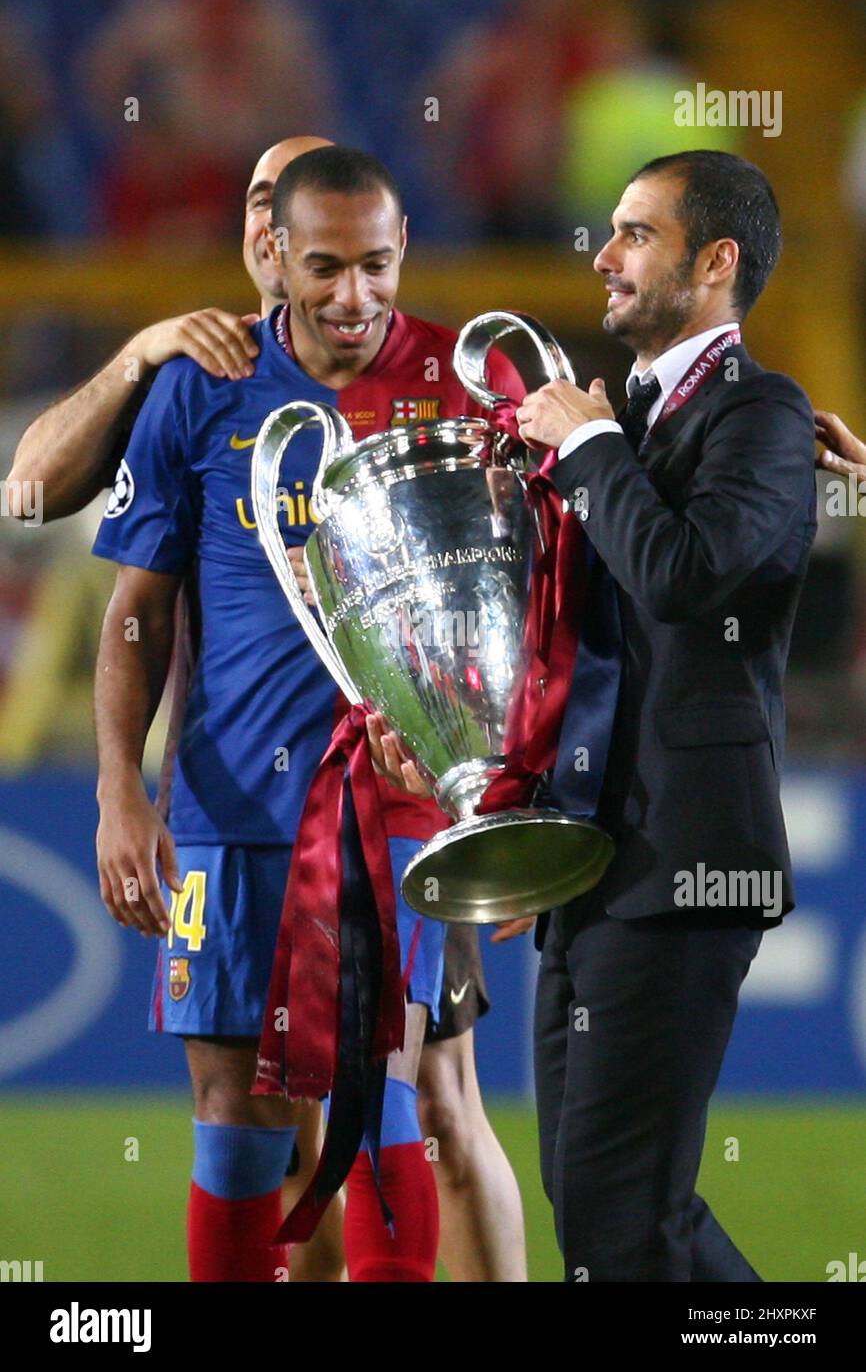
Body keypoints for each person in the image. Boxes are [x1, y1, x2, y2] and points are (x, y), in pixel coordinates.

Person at [6, 136, 527, 1282]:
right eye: (328, 267)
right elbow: (132, 613)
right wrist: (116, 792)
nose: (356, 297)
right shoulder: (198, 384)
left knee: (384, 1103)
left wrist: (502, 793)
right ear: (274, 254)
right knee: (233, 1120)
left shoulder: (454, 382)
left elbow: (522, 598)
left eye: (379, 266)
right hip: (224, 814)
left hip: (386, 812)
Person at [374, 149, 817, 1280]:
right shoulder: (612, 419)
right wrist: (476, 763)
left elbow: (683, 574)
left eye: (634, 233)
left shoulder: (759, 413)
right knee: (600, 1209)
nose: (603, 256)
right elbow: (560, 632)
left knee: (622, 1217)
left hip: (685, 859)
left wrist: (586, 448)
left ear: (713, 263)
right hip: (584, 860)